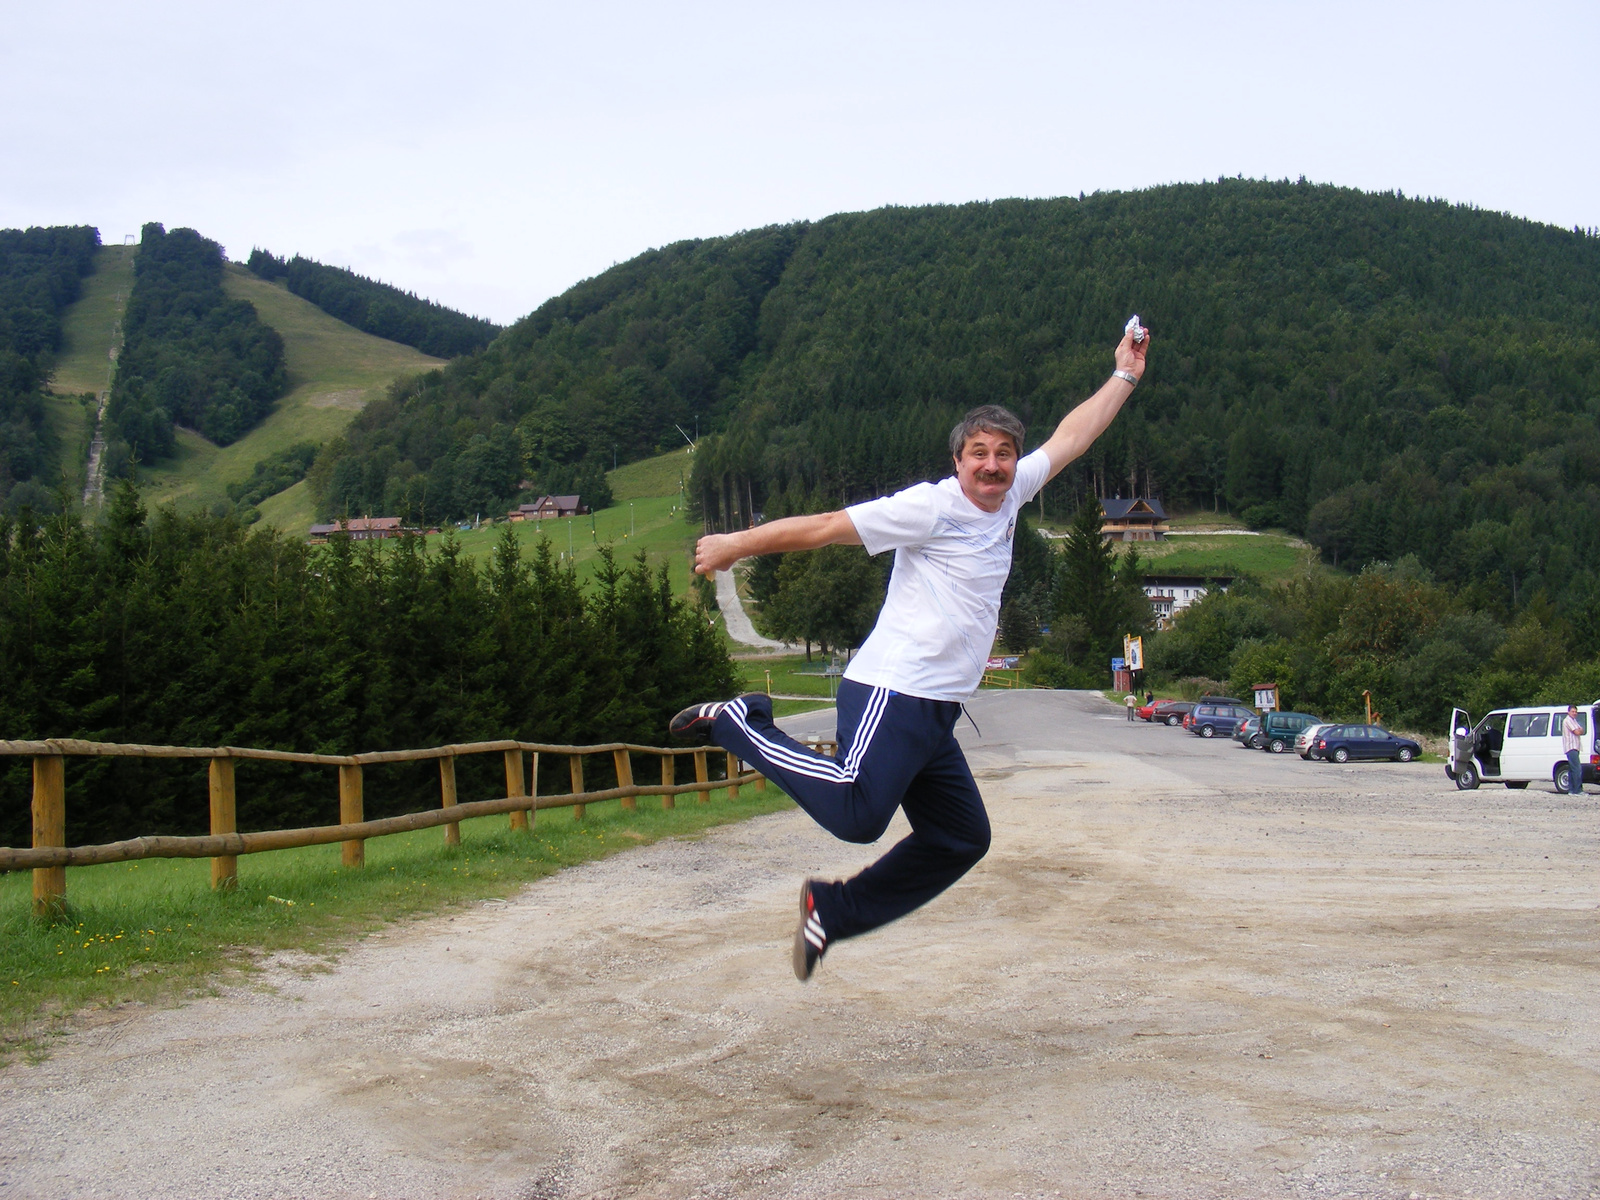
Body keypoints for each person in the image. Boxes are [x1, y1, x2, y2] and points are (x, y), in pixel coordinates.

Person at [670, 325, 1150, 981]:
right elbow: (826, 528)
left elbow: (1073, 438)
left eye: (1003, 453)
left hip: (936, 710)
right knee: (858, 813)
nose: (991, 464)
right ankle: (736, 722)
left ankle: (832, 912)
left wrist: (1124, 374)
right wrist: (735, 544)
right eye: (977, 453)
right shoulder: (930, 508)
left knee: (960, 839)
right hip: (891, 688)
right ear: (958, 462)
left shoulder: (1012, 495)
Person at [1561, 704, 1584, 795]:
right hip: (1571, 747)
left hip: (1576, 747)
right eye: (1572, 711)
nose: (1574, 713)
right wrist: (1579, 730)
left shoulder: (1574, 721)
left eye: (1575, 712)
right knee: (1577, 769)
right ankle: (1578, 790)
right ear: (1568, 712)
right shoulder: (1568, 721)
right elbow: (1578, 731)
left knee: (1571, 769)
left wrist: (1580, 730)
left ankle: (1571, 790)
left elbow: (1581, 730)